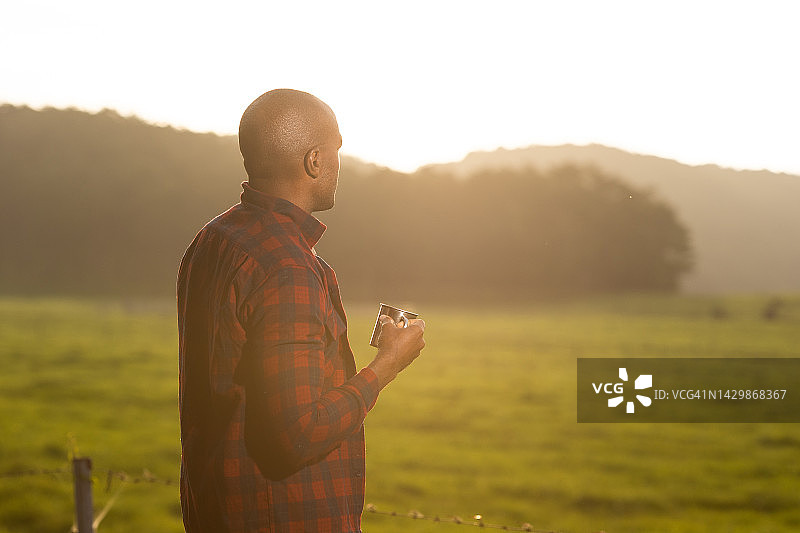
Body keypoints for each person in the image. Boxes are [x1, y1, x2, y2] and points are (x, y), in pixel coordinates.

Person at [177, 88, 425, 533]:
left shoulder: (212, 238)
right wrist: (388, 363)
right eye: (336, 151)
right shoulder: (287, 267)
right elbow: (297, 435)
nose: (338, 165)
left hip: (216, 513)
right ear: (314, 161)